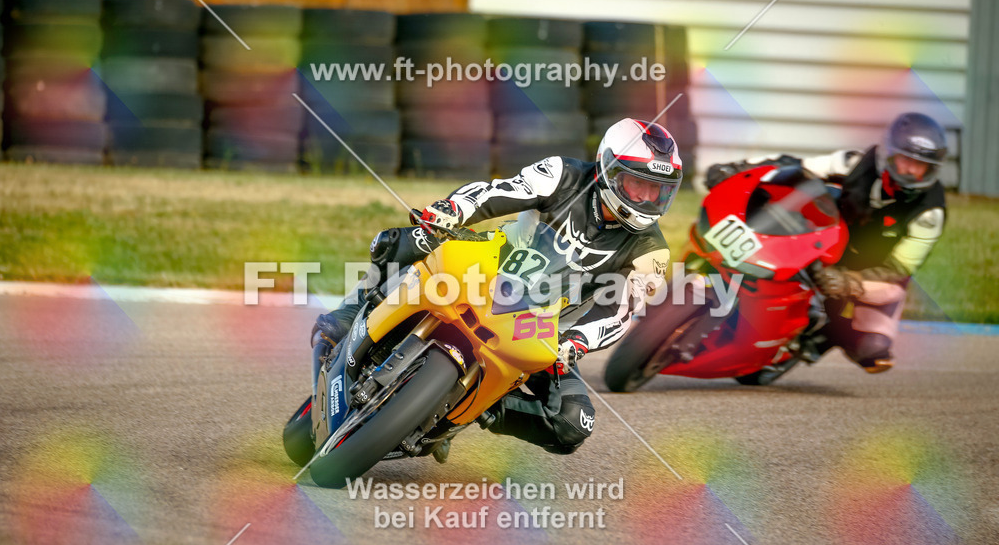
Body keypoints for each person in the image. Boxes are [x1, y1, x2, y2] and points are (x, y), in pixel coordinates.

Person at [312, 118, 684, 455]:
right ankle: (354, 310)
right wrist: (452, 210)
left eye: (658, 190)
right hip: (487, 270)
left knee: (573, 422)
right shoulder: (563, 174)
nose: (646, 199)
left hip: (541, 331)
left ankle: (472, 410)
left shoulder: (652, 254)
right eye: (637, 185)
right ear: (608, 169)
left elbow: (619, 314)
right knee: (412, 241)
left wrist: (575, 343)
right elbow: (497, 194)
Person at [706, 112, 948, 375]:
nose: (912, 171)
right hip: (823, 239)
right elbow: (794, 166)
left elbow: (900, 267)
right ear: (888, 155)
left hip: (869, 272)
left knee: (873, 349)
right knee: (796, 189)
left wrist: (849, 283)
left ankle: (822, 335)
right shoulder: (853, 163)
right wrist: (738, 168)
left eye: (920, 165)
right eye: (906, 160)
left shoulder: (930, 212)